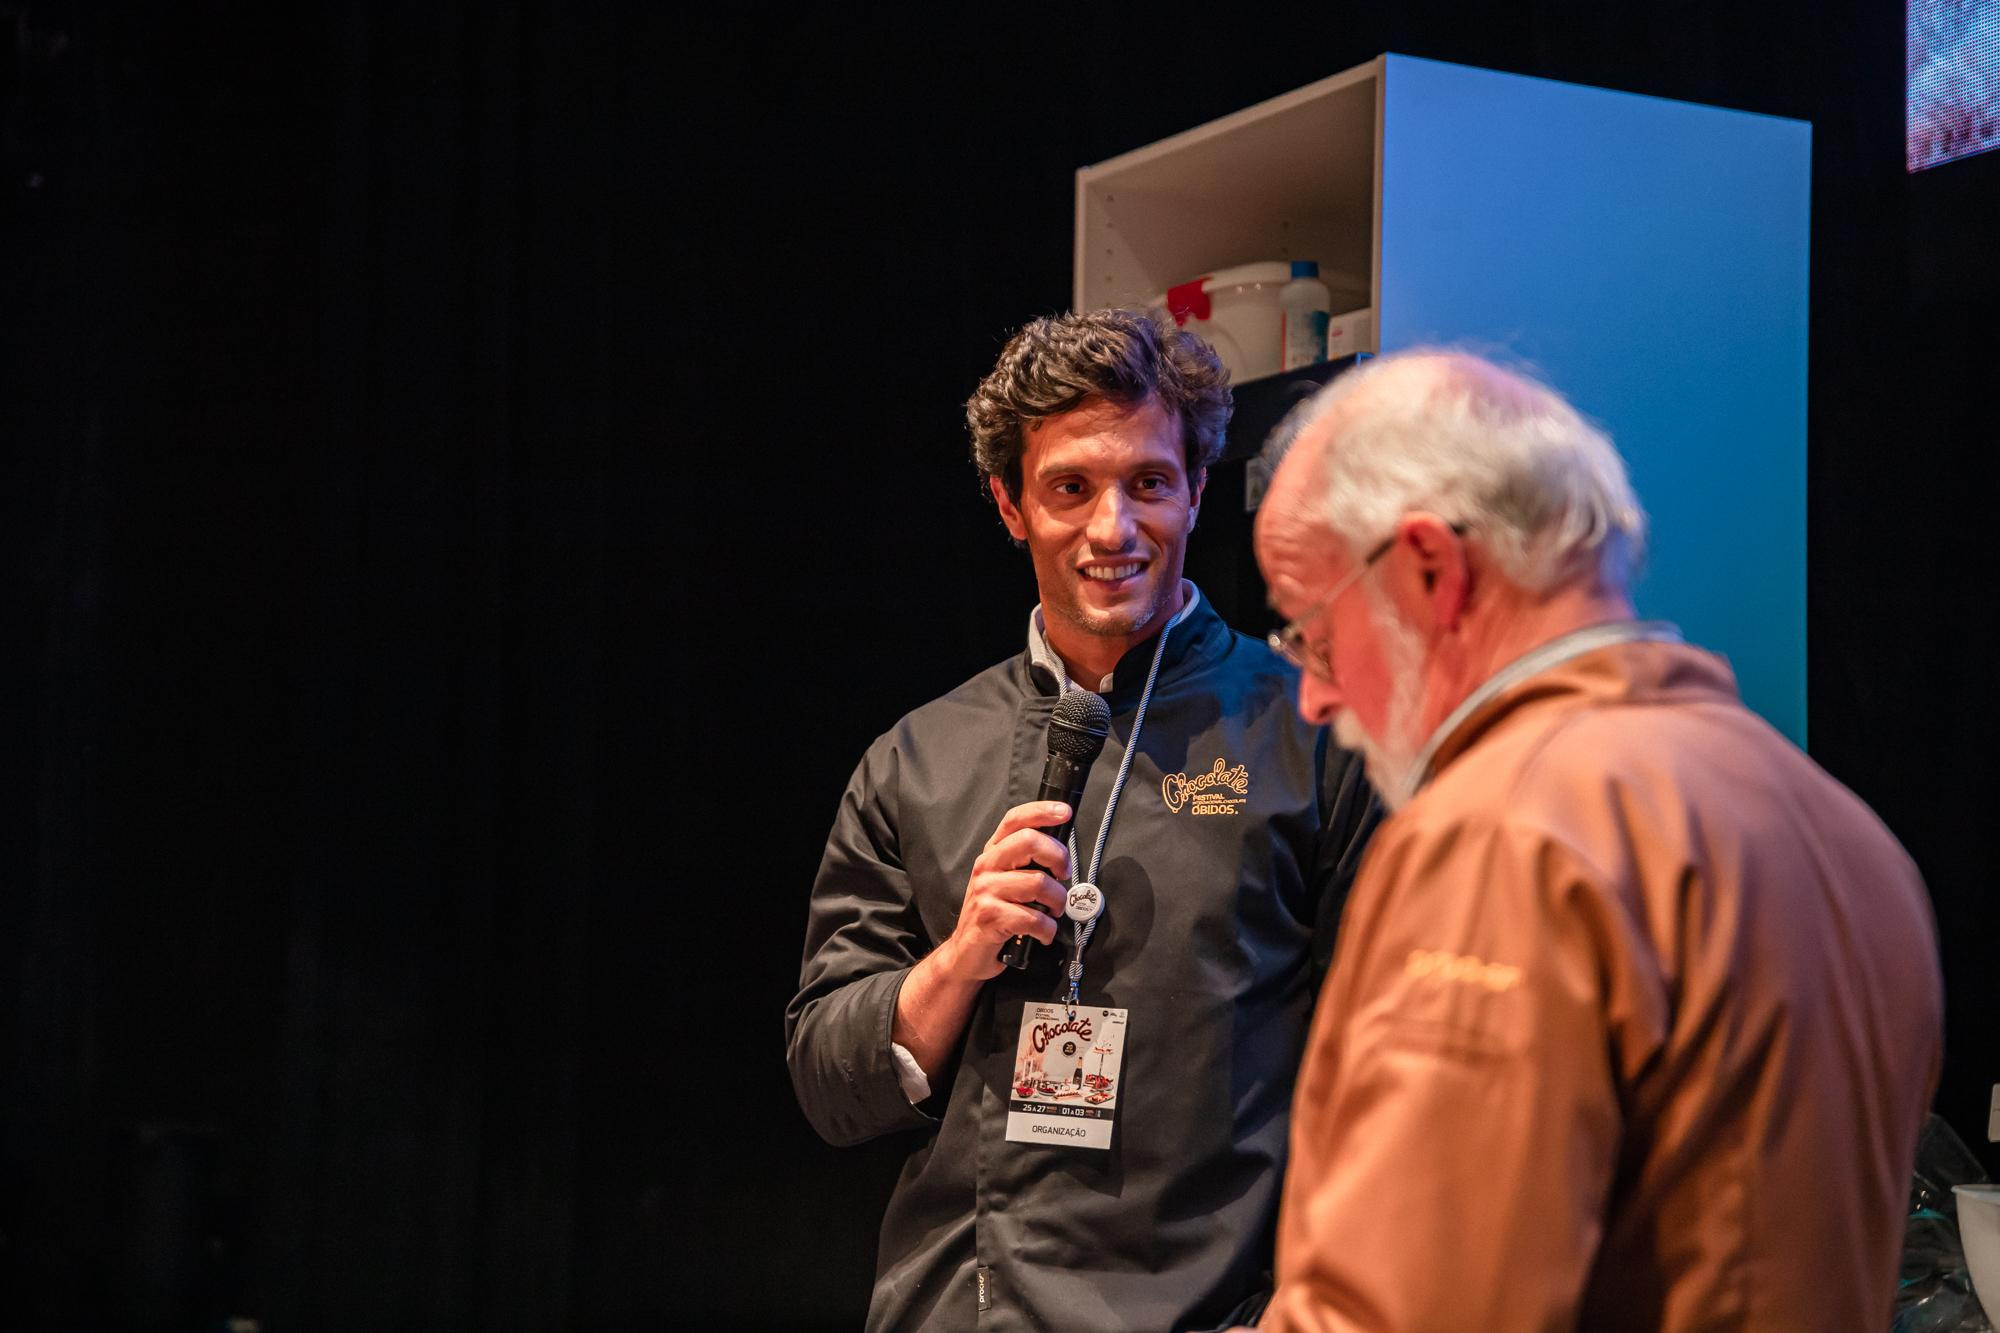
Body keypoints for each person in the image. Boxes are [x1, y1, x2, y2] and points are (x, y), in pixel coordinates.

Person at [1247, 349, 1944, 1331]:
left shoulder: (1499, 834)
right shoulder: (1844, 828)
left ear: (1429, 569)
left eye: (1309, 632)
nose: (1313, 698)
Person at [786, 308, 1379, 1331]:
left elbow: (1389, 1066)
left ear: (1197, 488)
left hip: (1215, 1308)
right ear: (1009, 505)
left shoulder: (1316, 733)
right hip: (957, 1306)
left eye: (1147, 482)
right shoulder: (916, 757)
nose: (1112, 529)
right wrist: (955, 959)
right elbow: (826, 1082)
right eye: (1069, 488)